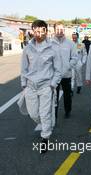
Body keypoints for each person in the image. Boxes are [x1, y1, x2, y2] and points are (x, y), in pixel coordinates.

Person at [20, 20, 62, 153]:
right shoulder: (28, 48)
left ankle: (45, 137)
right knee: (33, 113)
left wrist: (52, 84)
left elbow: (58, 69)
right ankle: (48, 124)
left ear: (46, 31)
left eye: (41, 31)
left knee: (45, 114)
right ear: (32, 31)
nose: (38, 34)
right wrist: (23, 84)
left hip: (46, 86)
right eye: (36, 31)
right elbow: (24, 68)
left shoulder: (53, 48)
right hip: (31, 86)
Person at [52, 22, 78, 119]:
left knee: (67, 95)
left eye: (62, 29)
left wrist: (68, 66)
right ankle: (53, 116)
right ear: (54, 30)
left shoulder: (70, 43)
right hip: (54, 76)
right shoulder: (49, 43)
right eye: (58, 29)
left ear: (64, 30)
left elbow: (75, 58)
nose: (60, 31)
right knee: (54, 97)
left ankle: (68, 110)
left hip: (66, 75)